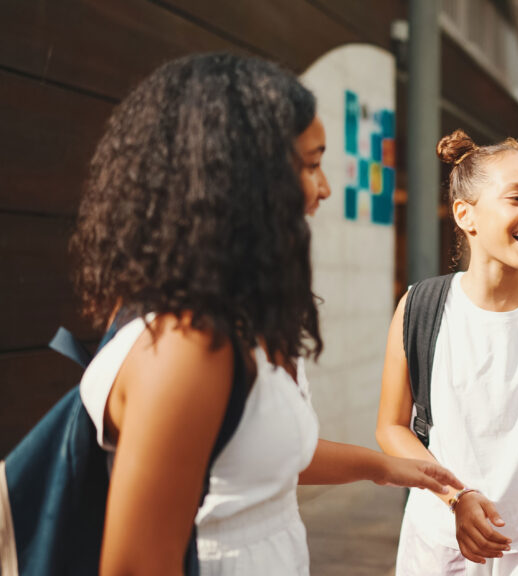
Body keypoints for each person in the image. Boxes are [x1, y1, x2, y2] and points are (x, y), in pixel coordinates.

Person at [71, 53, 461, 576]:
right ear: (238, 177)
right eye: (310, 164)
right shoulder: (188, 346)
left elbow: (260, 455)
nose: (323, 188)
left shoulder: (229, 317)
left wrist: (386, 467)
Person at [376, 129, 518, 576]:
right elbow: (391, 427)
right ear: (465, 215)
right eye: (517, 199)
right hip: (438, 544)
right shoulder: (420, 306)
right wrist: (456, 498)